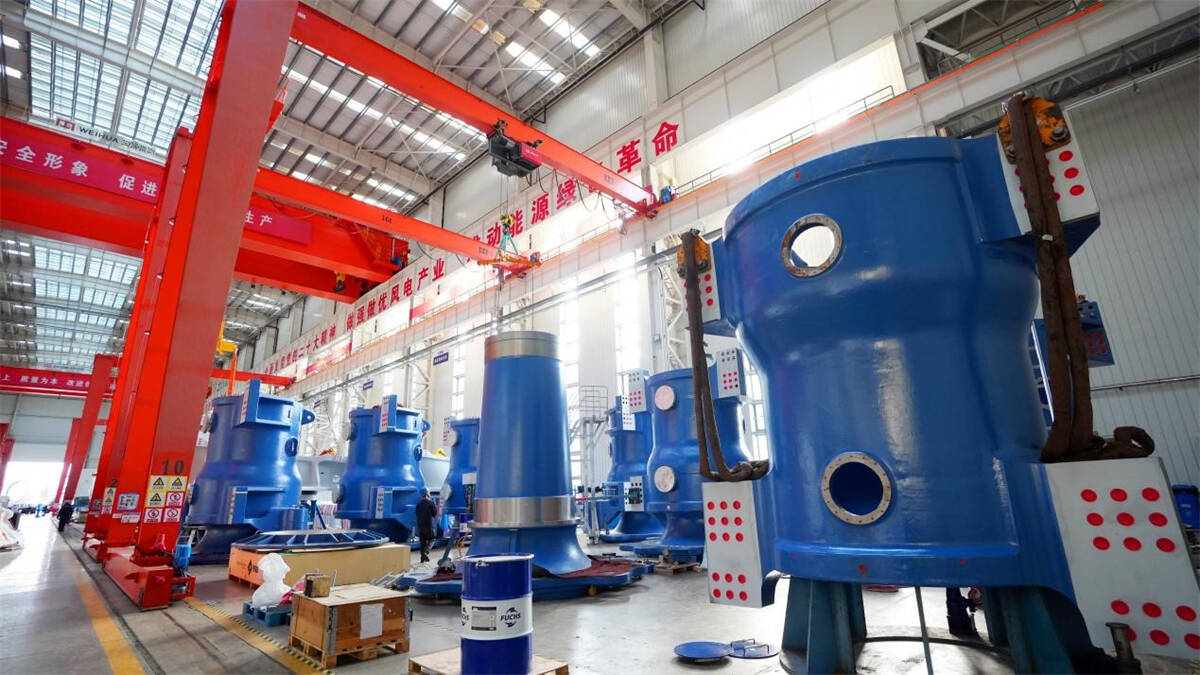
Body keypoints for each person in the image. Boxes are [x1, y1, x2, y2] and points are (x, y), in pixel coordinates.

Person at [415, 489, 437, 563]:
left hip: (420, 525)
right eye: (429, 493)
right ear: (427, 494)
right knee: (432, 539)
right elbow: (434, 513)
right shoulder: (430, 503)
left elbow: (417, 514)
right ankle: (426, 552)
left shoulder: (418, 504)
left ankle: (422, 559)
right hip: (428, 524)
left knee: (423, 542)